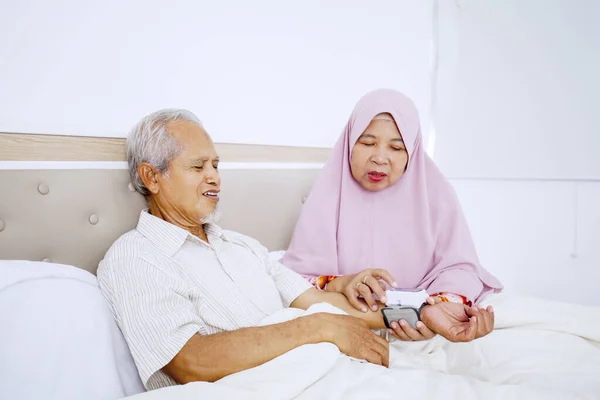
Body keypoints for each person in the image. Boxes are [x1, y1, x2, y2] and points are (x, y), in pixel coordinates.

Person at [97, 108, 494, 391]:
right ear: (152, 176)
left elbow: (323, 303)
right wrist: (316, 328)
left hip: (332, 373)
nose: (215, 178)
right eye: (198, 167)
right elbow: (191, 361)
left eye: (216, 165)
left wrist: (424, 311)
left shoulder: (243, 247)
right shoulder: (136, 256)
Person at [282, 89, 503, 342]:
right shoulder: (326, 196)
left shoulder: (436, 195)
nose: (380, 158)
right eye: (367, 143)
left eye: (396, 148)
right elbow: (293, 282)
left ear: (412, 153)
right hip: (348, 325)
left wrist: (440, 305)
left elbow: (460, 267)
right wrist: (341, 282)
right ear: (349, 145)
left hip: (428, 324)